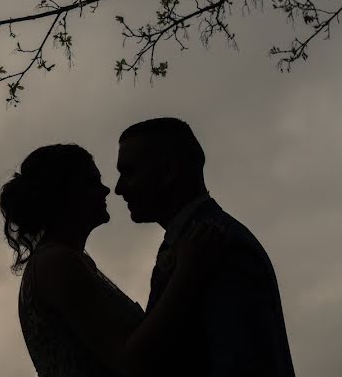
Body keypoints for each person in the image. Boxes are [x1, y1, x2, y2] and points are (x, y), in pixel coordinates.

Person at [0, 143, 223, 377]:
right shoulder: (56, 263)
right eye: (91, 182)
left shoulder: (65, 260)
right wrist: (187, 271)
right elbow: (128, 360)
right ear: (64, 194)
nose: (107, 190)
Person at [115, 117, 295, 377]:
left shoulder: (222, 245)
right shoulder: (192, 242)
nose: (119, 189)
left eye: (129, 172)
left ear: (168, 172)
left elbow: (241, 364)